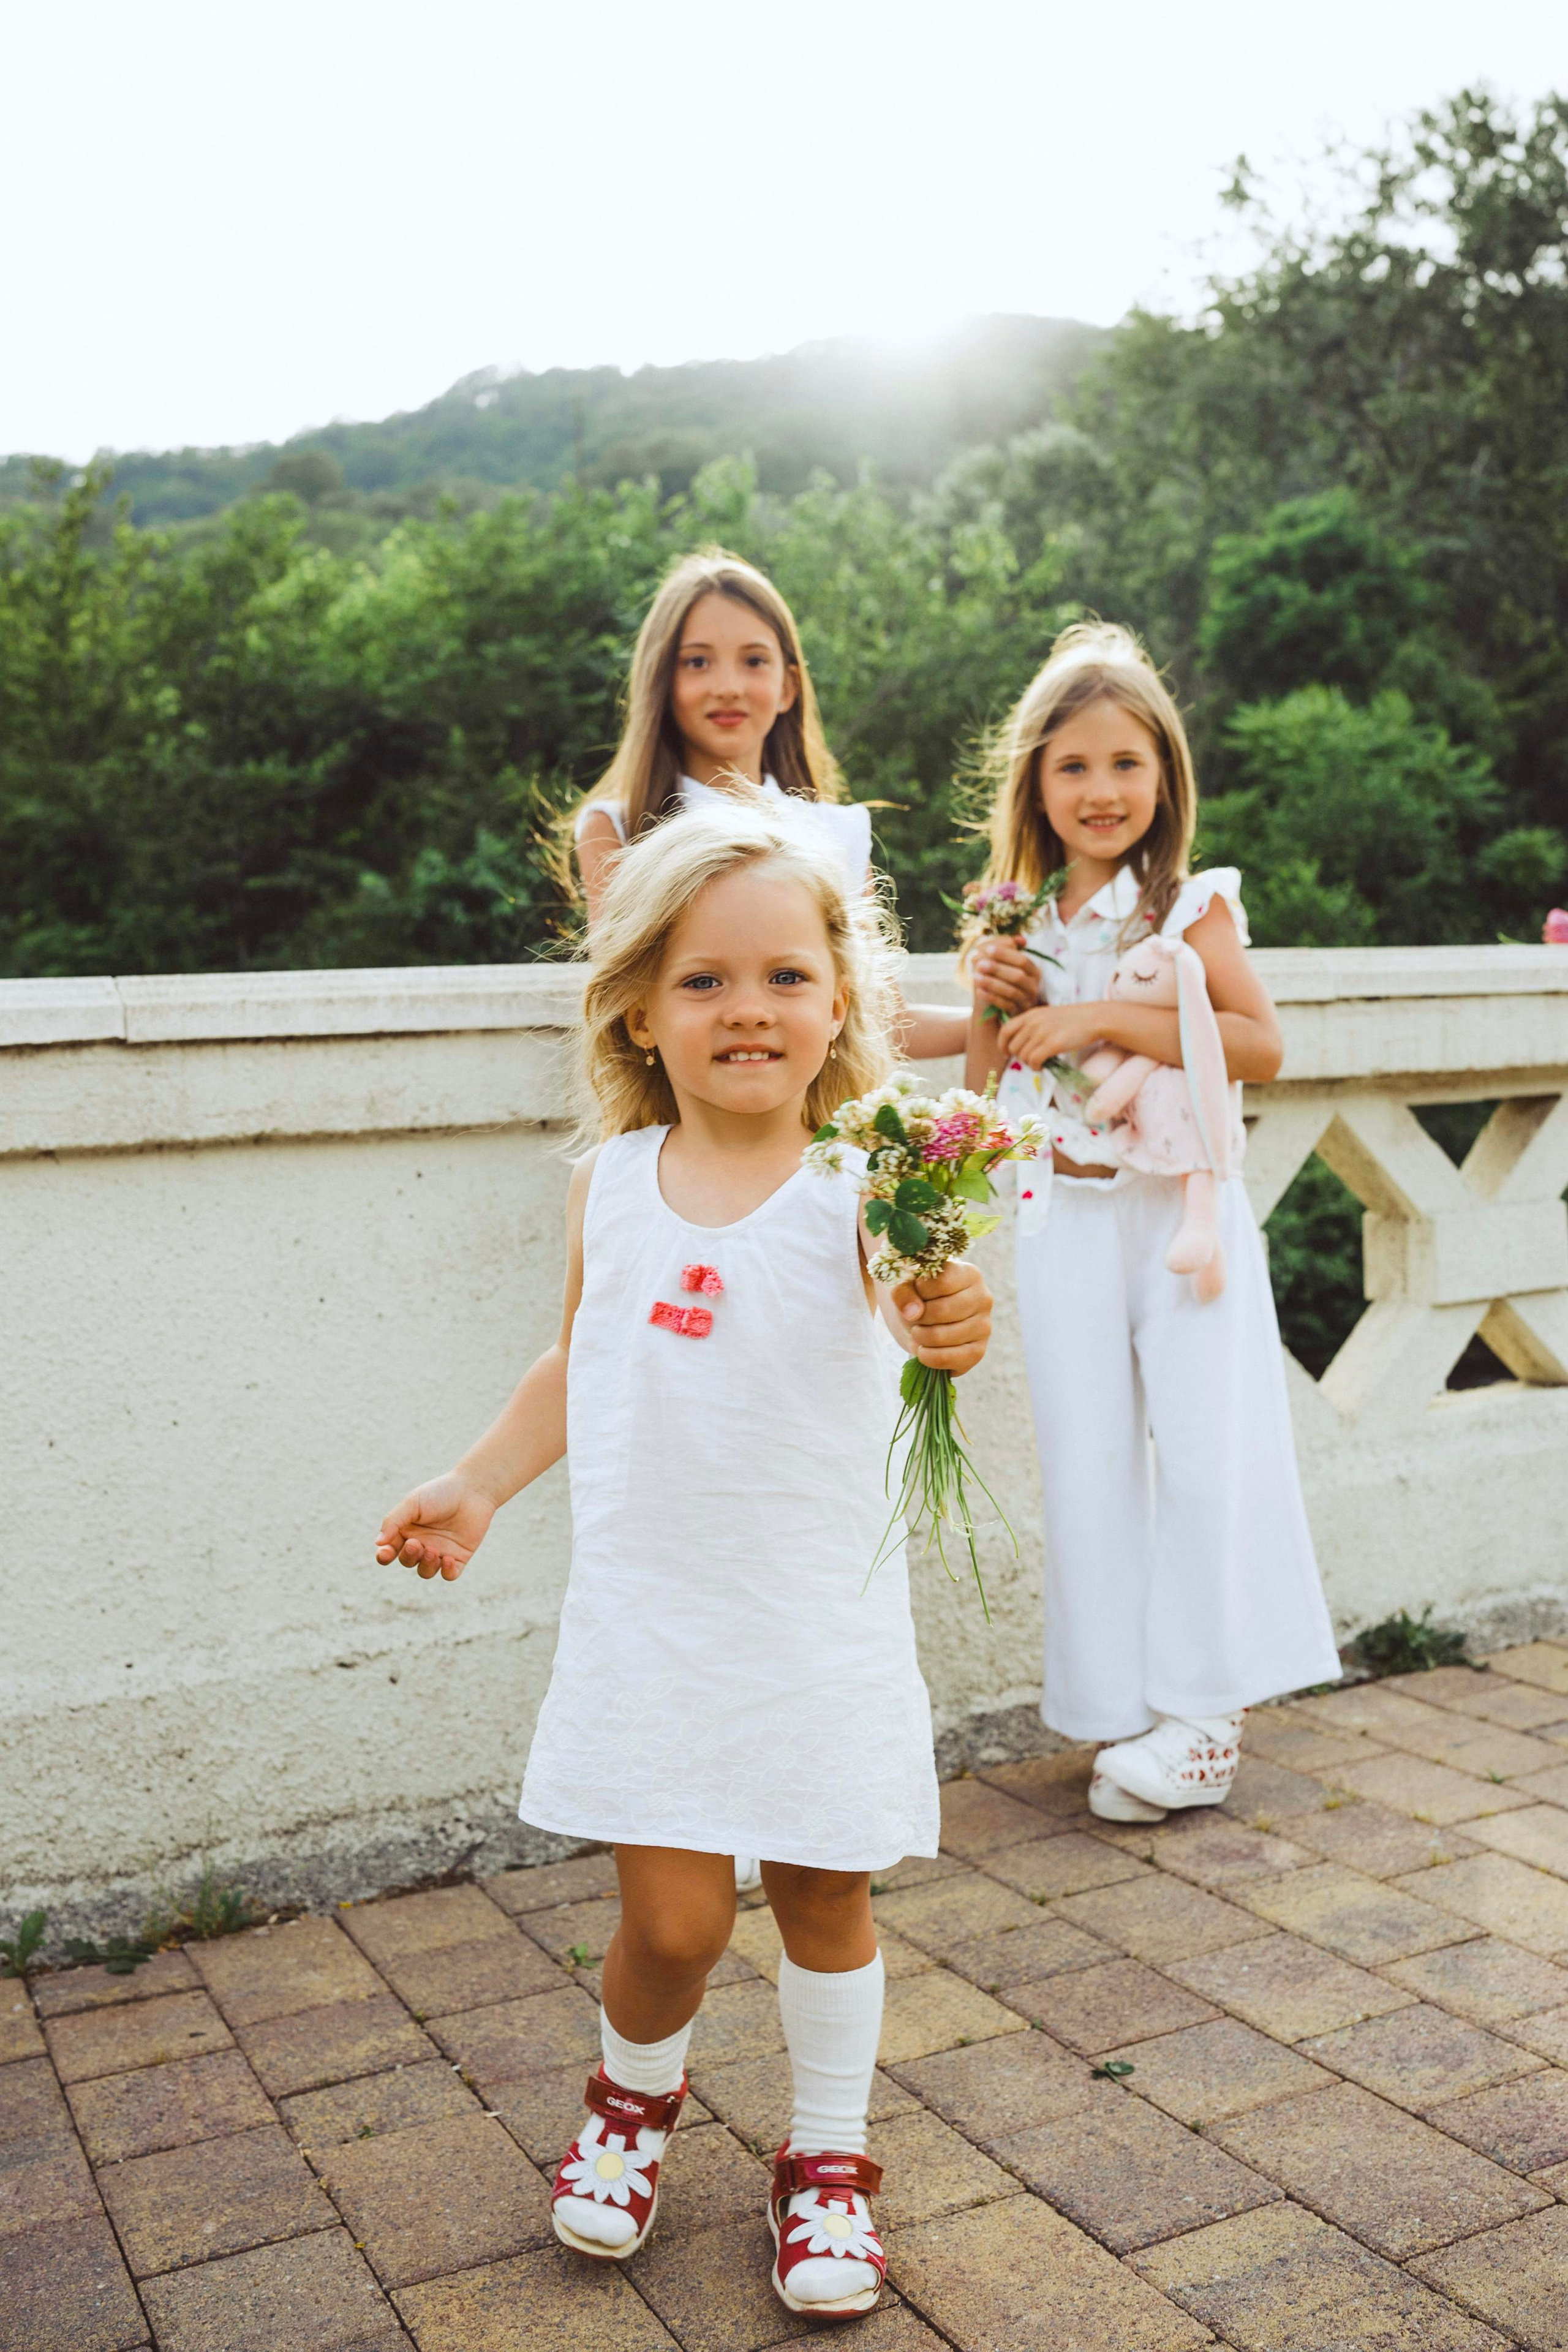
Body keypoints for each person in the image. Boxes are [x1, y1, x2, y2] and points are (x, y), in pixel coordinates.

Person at [377, 800, 992, 2316]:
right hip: (655, 1618)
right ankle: (631, 2099)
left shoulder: (870, 1176)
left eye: (785, 976)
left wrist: (950, 1324)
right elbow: (577, 1359)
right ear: (640, 1008)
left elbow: (939, 1311)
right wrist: (477, 1482)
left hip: (811, 1618)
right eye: (705, 980)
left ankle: (828, 2157)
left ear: (839, 1000)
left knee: (820, 1899)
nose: (748, 1010)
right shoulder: (611, 1181)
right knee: (673, 1921)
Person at [575, 543, 968, 1895]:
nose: (725, 682)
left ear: (789, 678)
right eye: (696, 658)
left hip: (796, 1165)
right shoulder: (619, 830)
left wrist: (994, 1030)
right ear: (660, 682)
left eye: (751, 657)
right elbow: (687, 980)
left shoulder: (835, 841)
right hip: (674, 1156)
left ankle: (827, 2104)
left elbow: (852, 1005)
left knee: (821, 1876)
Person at [965, 622, 1339, 1822]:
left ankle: (1205, 1716)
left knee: (1201, 1445)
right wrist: (992, 997)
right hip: (1063, 1213)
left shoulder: (1189, 906)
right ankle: (1116, 1705)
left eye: (1125, 764)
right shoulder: (1016, 917)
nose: (1099, 790)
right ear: (1033, 782)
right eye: (1071, 767)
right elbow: (986, 1088)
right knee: (1082, 1456)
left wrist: (1098, 1025)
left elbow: (1257, 1045)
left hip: (1181, 1214)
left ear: (1164, 778)